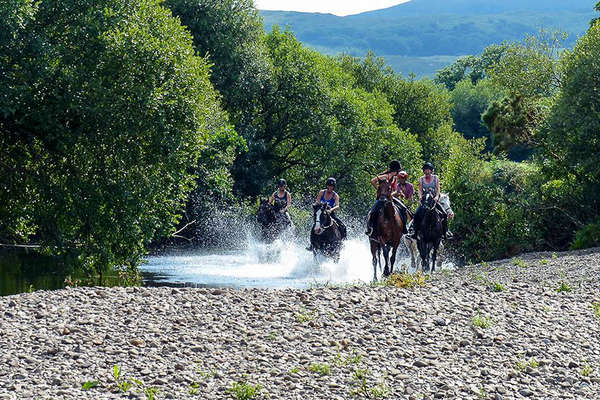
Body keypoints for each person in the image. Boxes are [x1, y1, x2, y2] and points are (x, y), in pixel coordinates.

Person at [407, 162, 452, 239]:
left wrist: (437, 196)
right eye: (425, 170)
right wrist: (420, 197)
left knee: (444, 213)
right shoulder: (421, 179)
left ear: (431, 171)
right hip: (425, 200)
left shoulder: (435, 178)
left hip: (434, 200)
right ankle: (414, 231)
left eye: (428, 170)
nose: (427, 172)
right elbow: (420, 190)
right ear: (424, 171)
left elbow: (438, 189)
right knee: (417, 214)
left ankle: (446, 232)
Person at [306, 177, 347, 251]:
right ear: (327, 185)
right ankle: (312, 244)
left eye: (332, 186)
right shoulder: (322, 192)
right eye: (329, 186)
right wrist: (317, 206)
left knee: (342, 226)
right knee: (315, 226)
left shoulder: (335, 195)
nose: (330, 188)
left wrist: (331, 210)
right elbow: (317, 201)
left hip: (330, 213)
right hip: (321, 212)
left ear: (334, 187)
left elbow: (337, 206)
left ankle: (343, 242)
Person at [365, 160, 402, 238]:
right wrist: (379, 189)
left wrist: (391, 194)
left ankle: (403, 228)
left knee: (403, 209)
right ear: (395, 170)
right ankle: (370, 228)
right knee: (373, 211)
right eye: (397, 171)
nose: (398, 172)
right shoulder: (385, 176)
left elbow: (395, 189)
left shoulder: (394, 178)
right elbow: (372, 181)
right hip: (381, 198)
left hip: (390, 198)